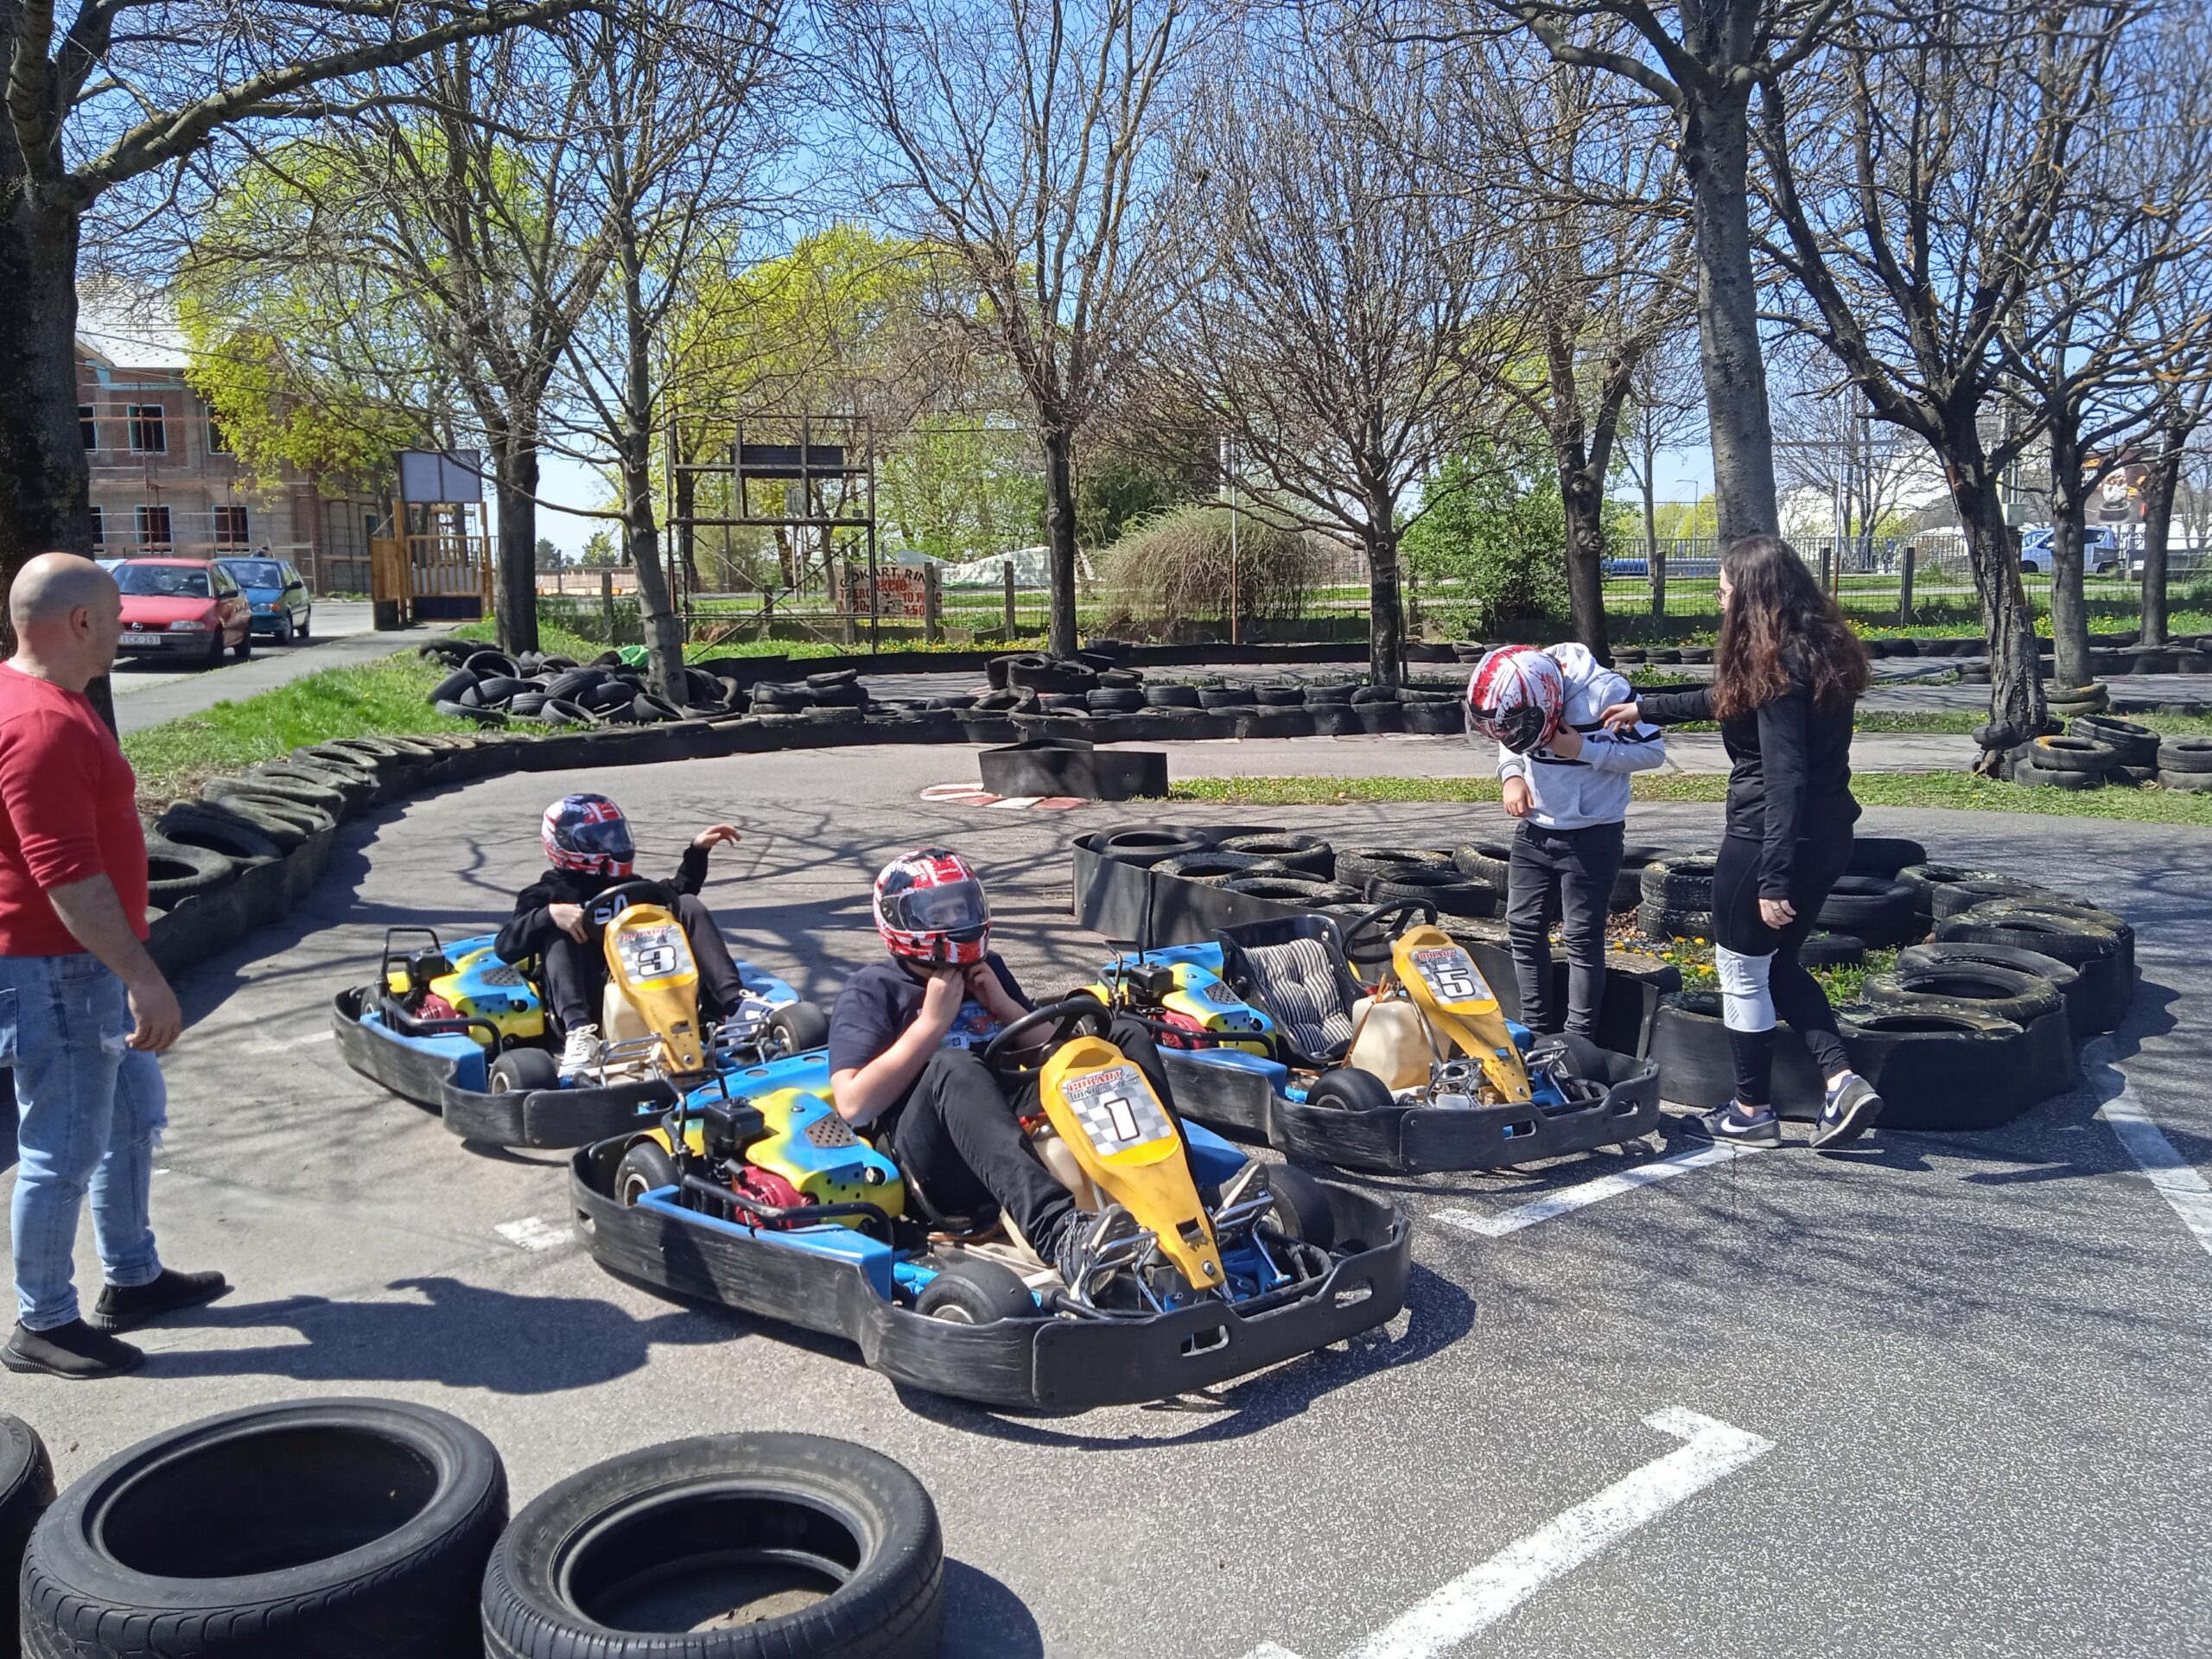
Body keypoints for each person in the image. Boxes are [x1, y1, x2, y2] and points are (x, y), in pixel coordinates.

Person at [0, 553, 228, 1379]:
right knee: (62, 1148)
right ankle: (43, 1322)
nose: (128, 625)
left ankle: (132, 1276)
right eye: (118, 614)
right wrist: (143, 977)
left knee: (131, 1119)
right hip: (59, 970)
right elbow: (65, 875)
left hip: (82, 964)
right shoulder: (44, 725)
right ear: (82, 622)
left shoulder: (44, 700)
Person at [1601, 534, 1884, 1150]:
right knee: (1779, 965)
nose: (1719, 597)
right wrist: (1645, 708)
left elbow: (1786, 776)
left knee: (1742, 971)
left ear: (1752, 596)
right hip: (1830, 838)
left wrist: (1773, 877)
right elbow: (1731, 701)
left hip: (1767, 841)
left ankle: (1751, 1111)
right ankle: (1842, 1081)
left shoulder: (1778, 670)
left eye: (1725, 587)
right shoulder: (1816, 651)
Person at [826, 848, 1170, 1291]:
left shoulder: (988, 971)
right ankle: (1060, 1233)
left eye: (961, 907)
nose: (955, 920)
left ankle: (1180, 1198)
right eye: (938, 912)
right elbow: (853, 1104)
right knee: (955, 1065)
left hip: (1006, 1126)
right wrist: (931, 1024)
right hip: (933, 1163)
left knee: (1121, 1038)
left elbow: (1057, 1055)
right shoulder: (873, 989)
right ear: (901, 920)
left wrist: (1004, 1006)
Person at [1469, 643, 1666, 1039]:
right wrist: (1512, 775)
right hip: (1535, 831)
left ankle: (1579, 1037)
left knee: (1581, 937)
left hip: (1593, 835)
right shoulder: (1521, 689)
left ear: (1548, 703)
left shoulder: (1604, 692)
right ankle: (1535, 1028)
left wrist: (1582, 749)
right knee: (1523, 927)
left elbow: (1652, 752)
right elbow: (1508, 736)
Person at [495, 794, 749, 1076]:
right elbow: (505, 947)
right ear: (565, 844)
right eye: (600, 837)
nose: (612, 843)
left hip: (652, 979)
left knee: (687, 903)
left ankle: (735, 1005)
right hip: (590, 995)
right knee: (558, 930)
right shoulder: (544, 894)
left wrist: (697, 851)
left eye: (614, 834)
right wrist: (548, 915)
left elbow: (677, 891)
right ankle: (580, 1034)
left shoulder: (629, 885)